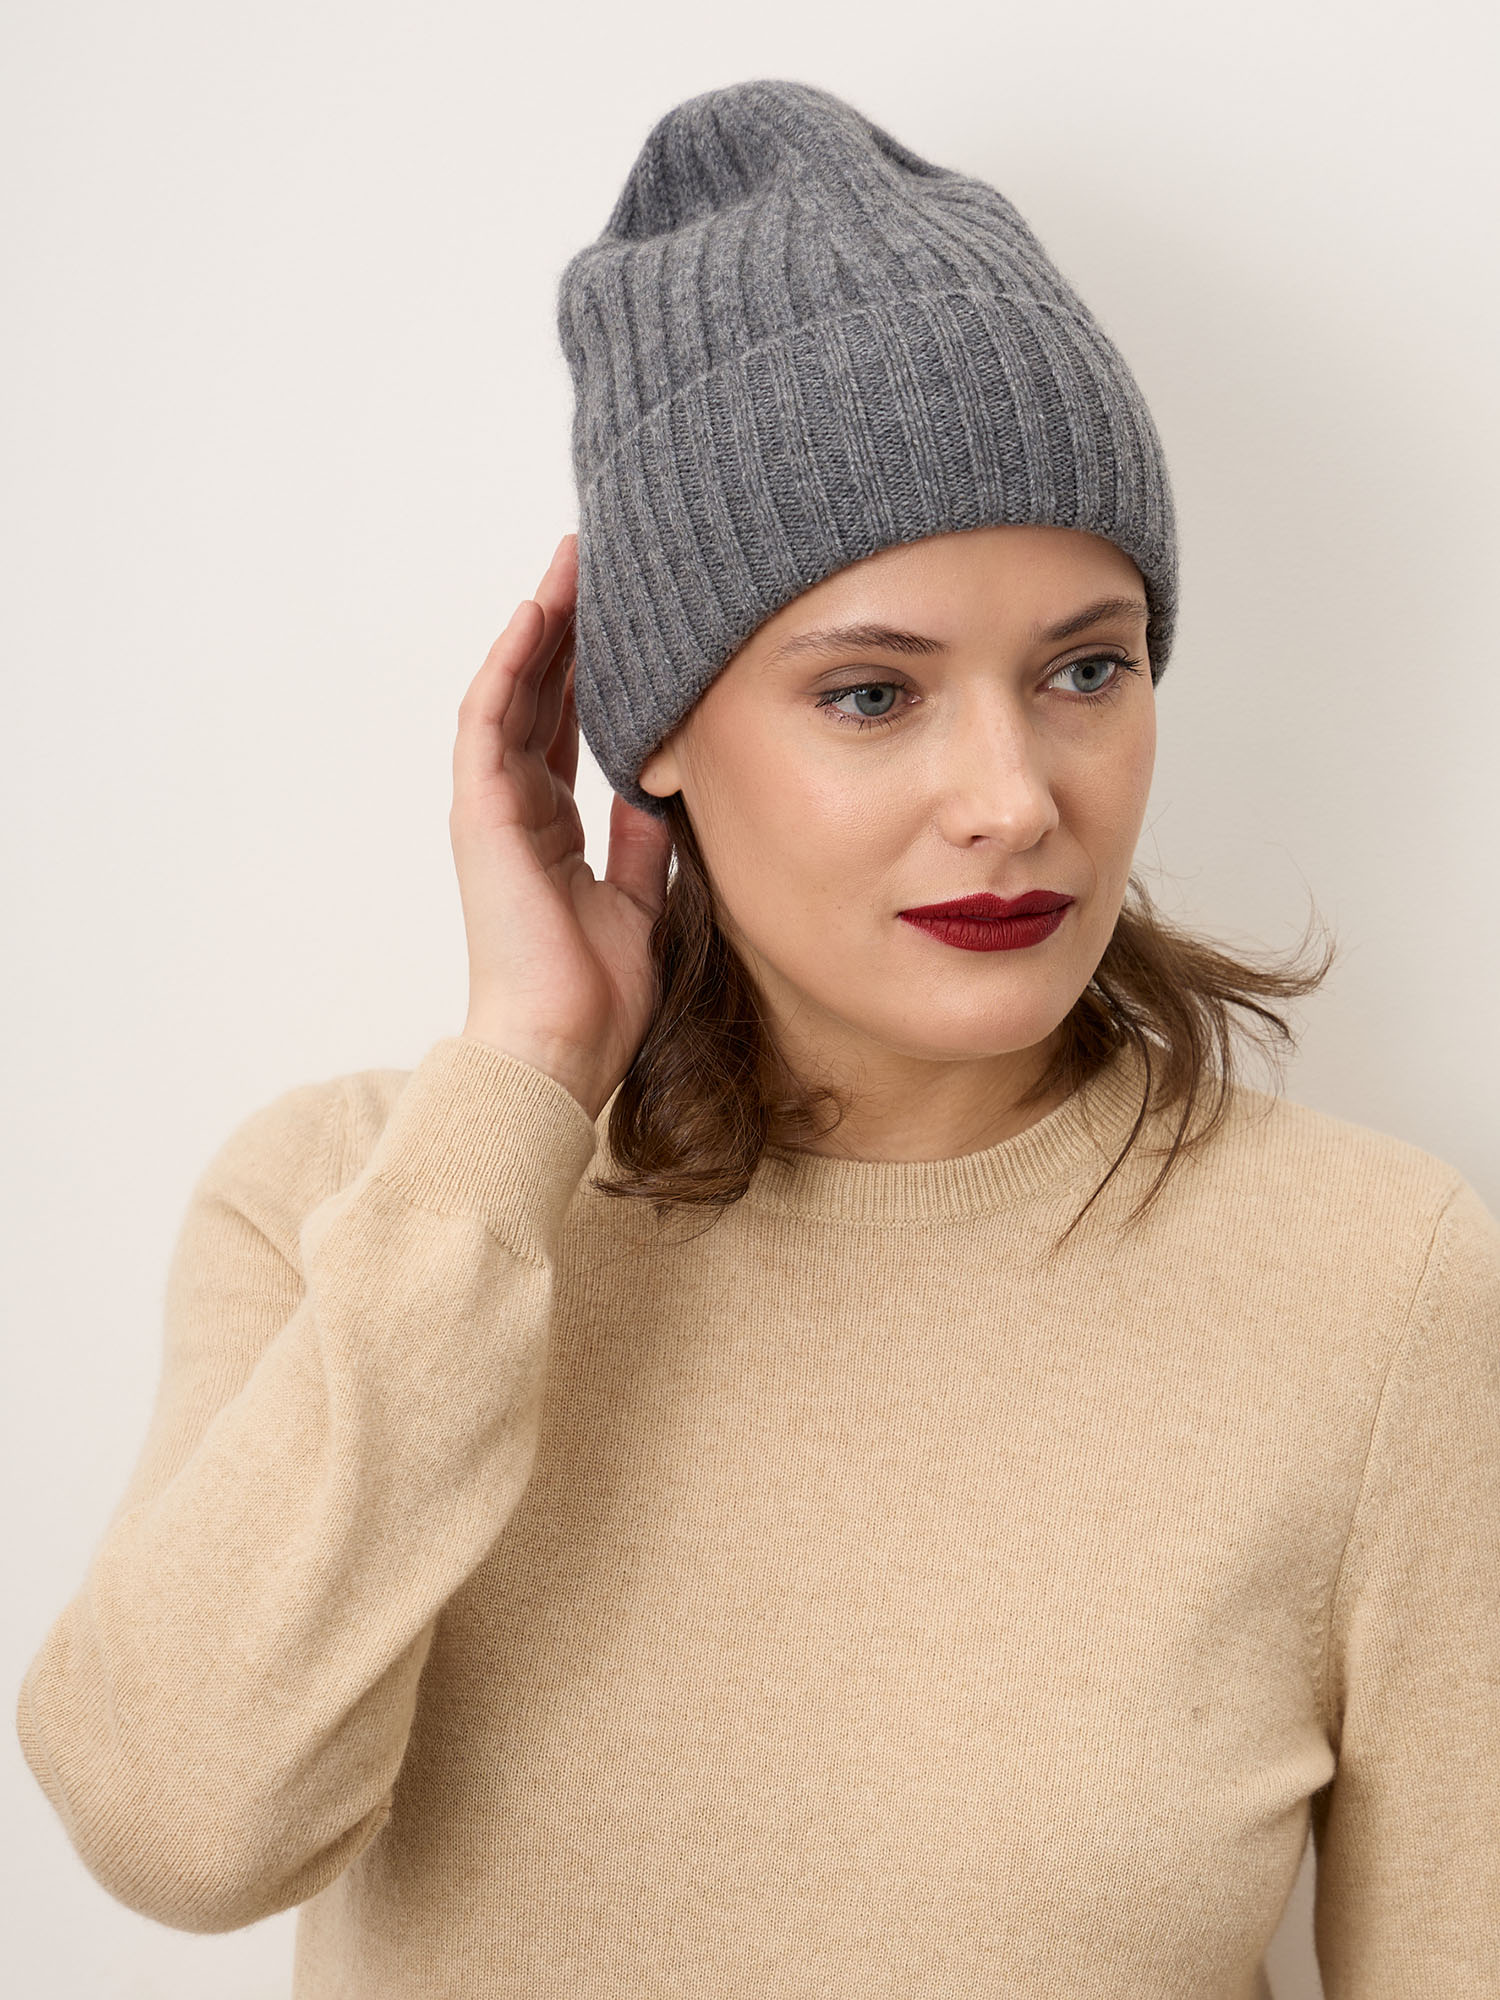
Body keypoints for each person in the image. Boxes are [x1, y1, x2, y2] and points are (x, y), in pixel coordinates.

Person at [16, 77, 1500, 2000]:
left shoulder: (1377, 1288)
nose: (1014, 798)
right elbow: (175, 1832)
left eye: (1087, 666)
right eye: (873, 693)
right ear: (652, 735)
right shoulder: (352, 1208)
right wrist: (519, 1089)